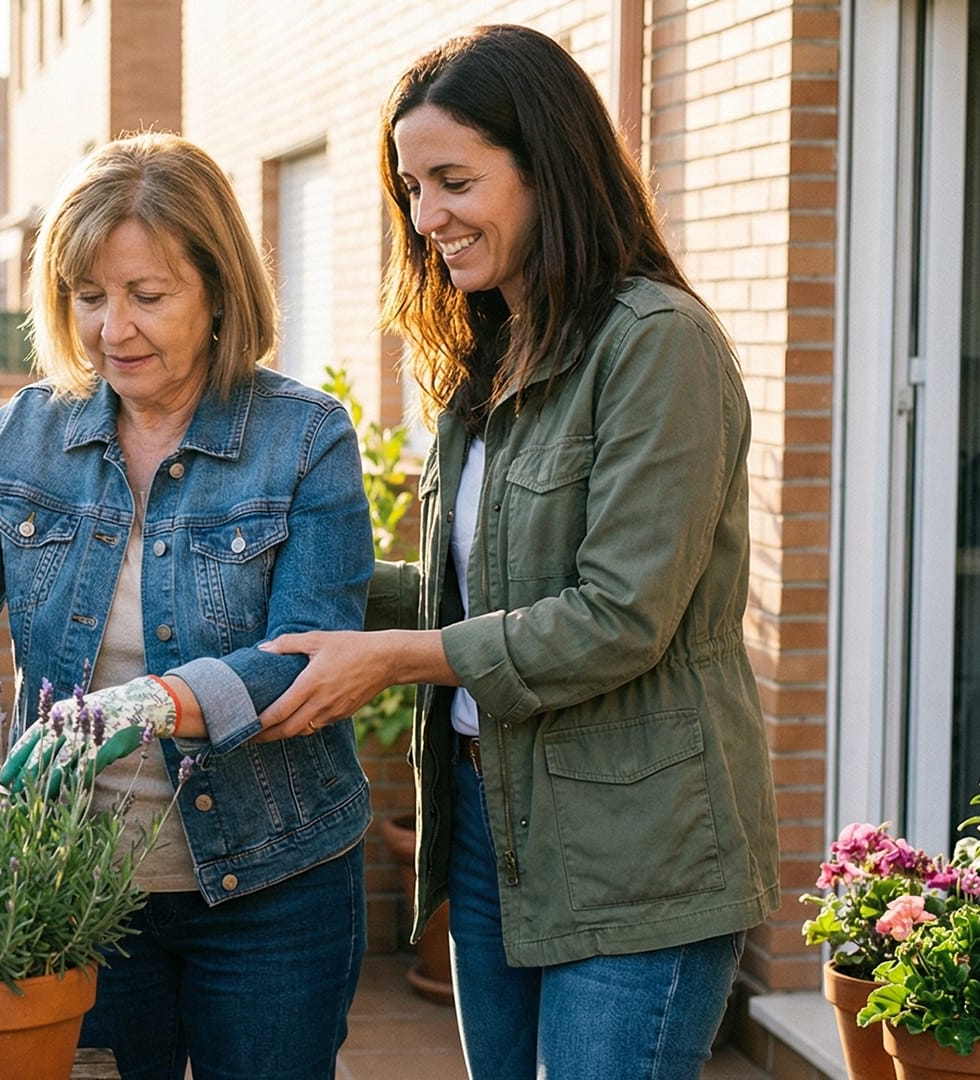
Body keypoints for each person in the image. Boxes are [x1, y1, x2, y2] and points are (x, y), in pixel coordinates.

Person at [257, 25, 781, 1080]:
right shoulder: (491, 353)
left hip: (641, 849)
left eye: (454, 180)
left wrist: (395, 660)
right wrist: (296, 567)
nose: (427, 217)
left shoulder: (655, 343)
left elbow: (618, 614)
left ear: (549, 167)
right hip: (496, 830)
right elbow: (477, 593)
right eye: (412, 187)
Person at [0, 132, 374, 1080]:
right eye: (88, 297)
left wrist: (147, 705)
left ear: (219, 288)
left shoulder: (304, 438)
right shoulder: (29, 432)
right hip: (79, 890)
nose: (112, 330)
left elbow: (309, 656)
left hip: (272, 888)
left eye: (148, 295)